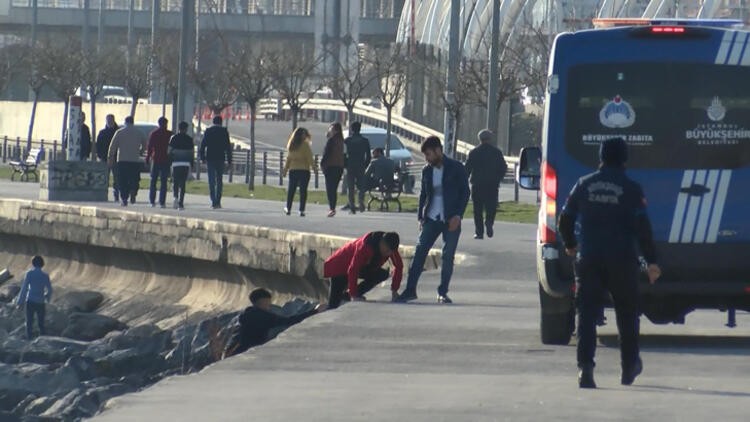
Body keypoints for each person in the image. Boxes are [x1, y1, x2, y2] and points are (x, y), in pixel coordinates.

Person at [558, 137, 662, 389]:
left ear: (601, 156)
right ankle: (628, 367)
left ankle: (586, 369)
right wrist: (651, 262)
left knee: (587, 314)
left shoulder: (584, 185)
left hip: (589, 257)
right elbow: (643, 229)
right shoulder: (632, 189)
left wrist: (571, 244)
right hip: (622, 259)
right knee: (627, 314)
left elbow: (565, 218)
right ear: (624, 158)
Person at [396, 136, 469, 304]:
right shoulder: (426, 170)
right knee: (420, 252)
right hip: (431, 218)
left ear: (438, 151)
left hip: (451, 219)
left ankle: (442, 292)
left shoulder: (456, 168)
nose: (427, 159)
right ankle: (410, 290)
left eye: (429, 154)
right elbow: (424, 194)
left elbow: (465, 193)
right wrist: (420, 217)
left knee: (447, 256)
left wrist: (458, 215)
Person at [223, 288, 327, 357]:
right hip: (248, 353)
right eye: (268, 303)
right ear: (262, 301)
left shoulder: (247, 313)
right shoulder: (263, 316)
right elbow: (289, 321)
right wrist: (315, 311)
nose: (269, 306)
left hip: (234, 352)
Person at [324, 231, 403, 309]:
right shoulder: (365, 246)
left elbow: (399, 266)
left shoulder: (390, 247)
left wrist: (394, 290)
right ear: (382, 243)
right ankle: (316, 311)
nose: (388, 254)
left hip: (360, 267)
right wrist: (353, 295)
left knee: (382, 274)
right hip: (338, 267)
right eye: (386, 251)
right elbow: (353, 269)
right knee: (333, 306)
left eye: (390, 252)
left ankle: (347, 296)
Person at [464, 129, 508, 240]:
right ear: (489, 139)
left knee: (477, 209)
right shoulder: (496, 152)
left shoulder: (474, 152)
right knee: (491, 207)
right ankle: (489, 222)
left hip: (477, 184)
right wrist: (498, 178)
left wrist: (466, 179)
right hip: (492, 184)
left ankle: (479, 232)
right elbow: (503, 167)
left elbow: (467, 168)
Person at [108, 116, 147, 207]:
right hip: (134, 160)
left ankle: (124, 198)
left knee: (123, 180)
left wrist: (110, 157)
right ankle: (133, 190)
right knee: (134, 178)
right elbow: (145, 145)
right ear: (133, 122)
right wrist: (140, 151)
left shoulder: (119, 132)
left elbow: (112, 147)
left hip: (122, 160)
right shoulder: (139, 132)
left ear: (125, 122)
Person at [15, 256, 53, 340]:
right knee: (41, 323)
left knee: (29, 323)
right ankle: (43, 340)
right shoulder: (45, 275)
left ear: (33, 263)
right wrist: (47, 297)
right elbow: (50, 289)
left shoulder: (29, 274)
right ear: (42, 264)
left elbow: (24, 288)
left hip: (30, 300)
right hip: (40, 301)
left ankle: (29, 340)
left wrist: (19, 302)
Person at [199, 116, 232, 209]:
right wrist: (229, 160)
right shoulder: (224, 132)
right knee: (219, 180)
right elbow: (228, 147)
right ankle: (218, 200)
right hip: (220, 158)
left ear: (213, 122)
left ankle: (213, 200)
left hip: (210, 158)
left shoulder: (208, 131)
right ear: (221, 122)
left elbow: (203, 145)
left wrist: (202, 157)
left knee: (211, 180)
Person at [283, 127, 316, 217]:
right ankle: (301, 209)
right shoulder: (305, 145)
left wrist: (285, 170)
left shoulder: (291, 145)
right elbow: (309, 158)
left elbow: (288, 159)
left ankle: (288, 208)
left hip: (293, 170)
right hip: (304, 170)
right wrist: (314, 168)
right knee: (303, 191)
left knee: (291, 190)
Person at [344, 121, 371, 214]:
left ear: (351, 129)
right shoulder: (365, 141)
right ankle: (361, 201)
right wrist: (365, 164)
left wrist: (345, 164)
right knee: (361, 186)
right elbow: (368, 155)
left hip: (350, 165)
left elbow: (344, 154)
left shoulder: (347, 141)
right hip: (361, 165)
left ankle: (352, 206)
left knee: (350, 187)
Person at [146, 117, 173, 208]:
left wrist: (147, 157)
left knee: (153, 180)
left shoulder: (154, 134)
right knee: (163, 181)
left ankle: (152, 200)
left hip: (156, 158)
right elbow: (171, 148)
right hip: (165, 159)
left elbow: (150, 147)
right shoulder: (169, 134)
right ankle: (162, 202)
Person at [321, 122, 345, 217]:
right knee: (333, 188)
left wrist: (322, 164)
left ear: (335, 129)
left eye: (330, 128)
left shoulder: (332, 141)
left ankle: (332, 208)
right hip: (339, 167)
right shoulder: (342, 141)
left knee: (330, 189)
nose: (329, 130)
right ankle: (332, 207)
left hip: (330, 166)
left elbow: (327, 153)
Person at [169, 121, 194, 210]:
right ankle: (181, 203)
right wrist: (192, 164)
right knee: (182, 183)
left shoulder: (174, 138)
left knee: (175, 181)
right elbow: (191, 153)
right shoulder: (189, 139)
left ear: (179, 128)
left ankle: (175, 197)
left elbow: (170, 151)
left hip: (176, 163)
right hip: (185, 163)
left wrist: (170, 161)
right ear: (186, 129)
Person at [97, 114, 120, 202]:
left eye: (111, 120)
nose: (109, 122)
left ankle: (116, 194)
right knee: (104, 177)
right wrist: (100, 156)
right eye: (108, 120)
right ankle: (104, 194)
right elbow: (98, 144)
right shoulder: (102, 132)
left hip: (116, 158)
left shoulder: (118, 132)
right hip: (104, 158)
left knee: (117, 177)